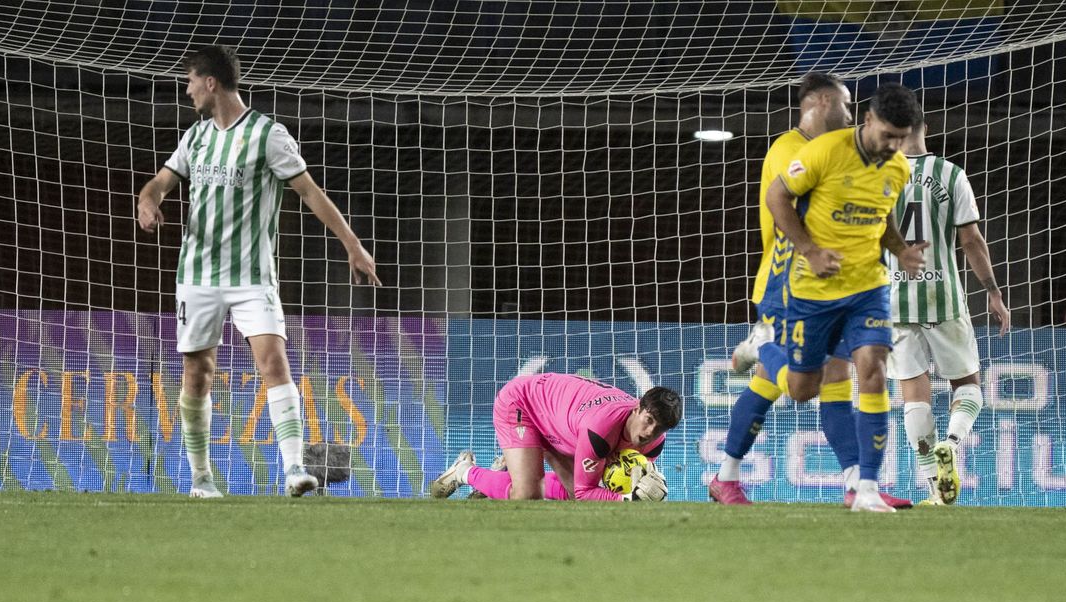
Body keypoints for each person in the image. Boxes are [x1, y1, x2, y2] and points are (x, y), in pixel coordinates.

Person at [136, 44, 381, 498]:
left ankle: (293, 470)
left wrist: (353, 245)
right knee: (197, 375)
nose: (186, 91)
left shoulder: (268, 135)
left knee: (273, 362)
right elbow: (162, 181)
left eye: (190, 81)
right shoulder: (197, 137)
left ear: (211, 83)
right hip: (198, 276)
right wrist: (148, 199)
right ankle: (202, 478)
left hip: (252, 279)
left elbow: (310, 193)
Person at [713, 73, 906, 509]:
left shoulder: (844, 153)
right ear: (821, 101)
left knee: (824, 379)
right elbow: (788, 210)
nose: (851, 114)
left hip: (838, 286)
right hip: (788, 285)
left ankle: (857, 482)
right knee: (806, 384)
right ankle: (761, 346)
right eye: (846, 103)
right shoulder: (794, 150)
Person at [759, 81, 928, 513]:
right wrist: (810, 249)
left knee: (872, 367)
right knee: (802, 390)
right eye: (888, 135)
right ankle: (764, 349)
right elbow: (777, 196)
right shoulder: (824, 152)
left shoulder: (898, 168)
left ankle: (867, 489)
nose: (894, 146)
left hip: (867, 288)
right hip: (813, 290)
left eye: (901, 139)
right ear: (868, 119)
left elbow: (882, 216)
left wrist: (900, 249)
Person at [887, 120, 1010, 505]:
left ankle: (934, 490)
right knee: (969, 386)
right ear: (924, 126)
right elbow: (970, 239)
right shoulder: (951, 174)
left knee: (914, 398)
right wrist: (992, 291)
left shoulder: (878, 174)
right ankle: (953, 443)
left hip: (895, 297)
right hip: (944, 298)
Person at [429, 373, 680, 501]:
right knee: (527, 494)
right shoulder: (601, 429)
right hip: (524, 402)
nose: (650, 433)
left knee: (570, 495)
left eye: (659, 429)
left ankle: (508, 473)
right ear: (636, 408)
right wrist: (628, 500)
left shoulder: (654, 442)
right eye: (648, 421)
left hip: (562, 424)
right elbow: (586, 493)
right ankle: (464, 471)